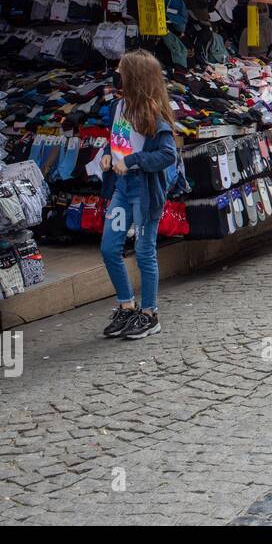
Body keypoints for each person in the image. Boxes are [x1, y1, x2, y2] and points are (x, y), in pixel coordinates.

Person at [100, 50, 180, 341]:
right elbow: (117, 141)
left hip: (144, 194)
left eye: (121, 70)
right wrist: (109, 155)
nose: (116, 74)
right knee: (110, 247)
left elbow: (167, 155)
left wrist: (131, 161)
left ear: (133, 77)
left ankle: (149, 313)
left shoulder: (154, 113)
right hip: (121, 190)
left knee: (145, 252)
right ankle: (126, 304)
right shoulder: (118, 107)